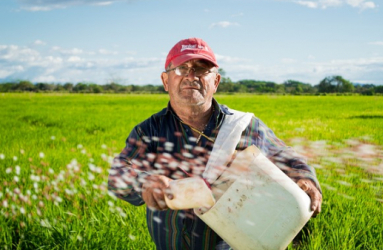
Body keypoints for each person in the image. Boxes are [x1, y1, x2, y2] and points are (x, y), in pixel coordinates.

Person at [108, 37, 322, 250]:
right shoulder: (149, 130)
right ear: (166, 81)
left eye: (201, 69)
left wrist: (304, 177)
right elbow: (119, 174)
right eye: (182, 68)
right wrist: (144, 183)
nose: (191, 76)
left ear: (216, 82)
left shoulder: (242, 126)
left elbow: (286, 156)